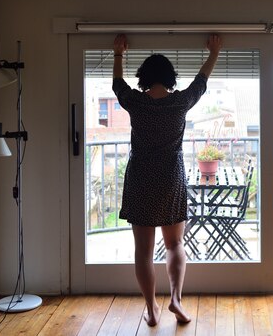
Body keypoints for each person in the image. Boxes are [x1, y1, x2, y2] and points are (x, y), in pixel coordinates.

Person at [112, 33, 222, 326]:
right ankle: (175, 299)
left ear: (145, 78)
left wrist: (119, 53)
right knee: (174, 245)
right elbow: (201, 80)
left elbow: (117, 85)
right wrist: (214, 52)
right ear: (170, 77)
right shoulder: (180, 102)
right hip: (171, 178)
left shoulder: (136, 102)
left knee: (143, 252)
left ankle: (151, 310)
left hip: (140, 179)